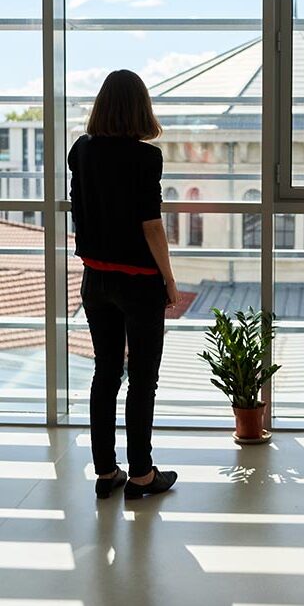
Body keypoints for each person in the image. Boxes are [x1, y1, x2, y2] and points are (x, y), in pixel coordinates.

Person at [68, 69, 180, 500]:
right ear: (141, 108)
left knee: (105, 373)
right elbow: (151, 227)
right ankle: (142, 475)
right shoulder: (145, 158)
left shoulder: (82, 150)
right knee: (142, 379)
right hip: (138, 284)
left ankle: (104, 471)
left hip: (95, 279)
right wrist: (169, 280)